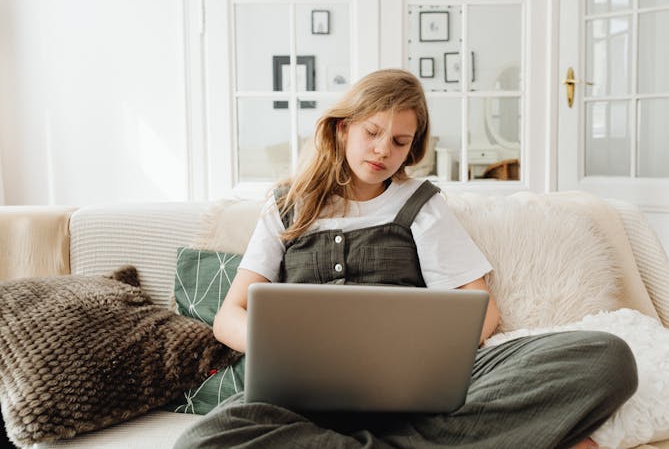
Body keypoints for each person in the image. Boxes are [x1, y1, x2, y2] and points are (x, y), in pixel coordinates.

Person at [175, 69, 637, 449]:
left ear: (412, 148)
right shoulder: (286, 206)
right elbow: (229, 316)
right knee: (202, 442)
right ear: (343, 128)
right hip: (306, 393)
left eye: (399, 142)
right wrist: (288, 352)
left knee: (606, 357)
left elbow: (482, 308)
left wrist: (424, 364)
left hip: (412, 388)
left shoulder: (420, 204)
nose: (382, 151)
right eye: (372, 133)